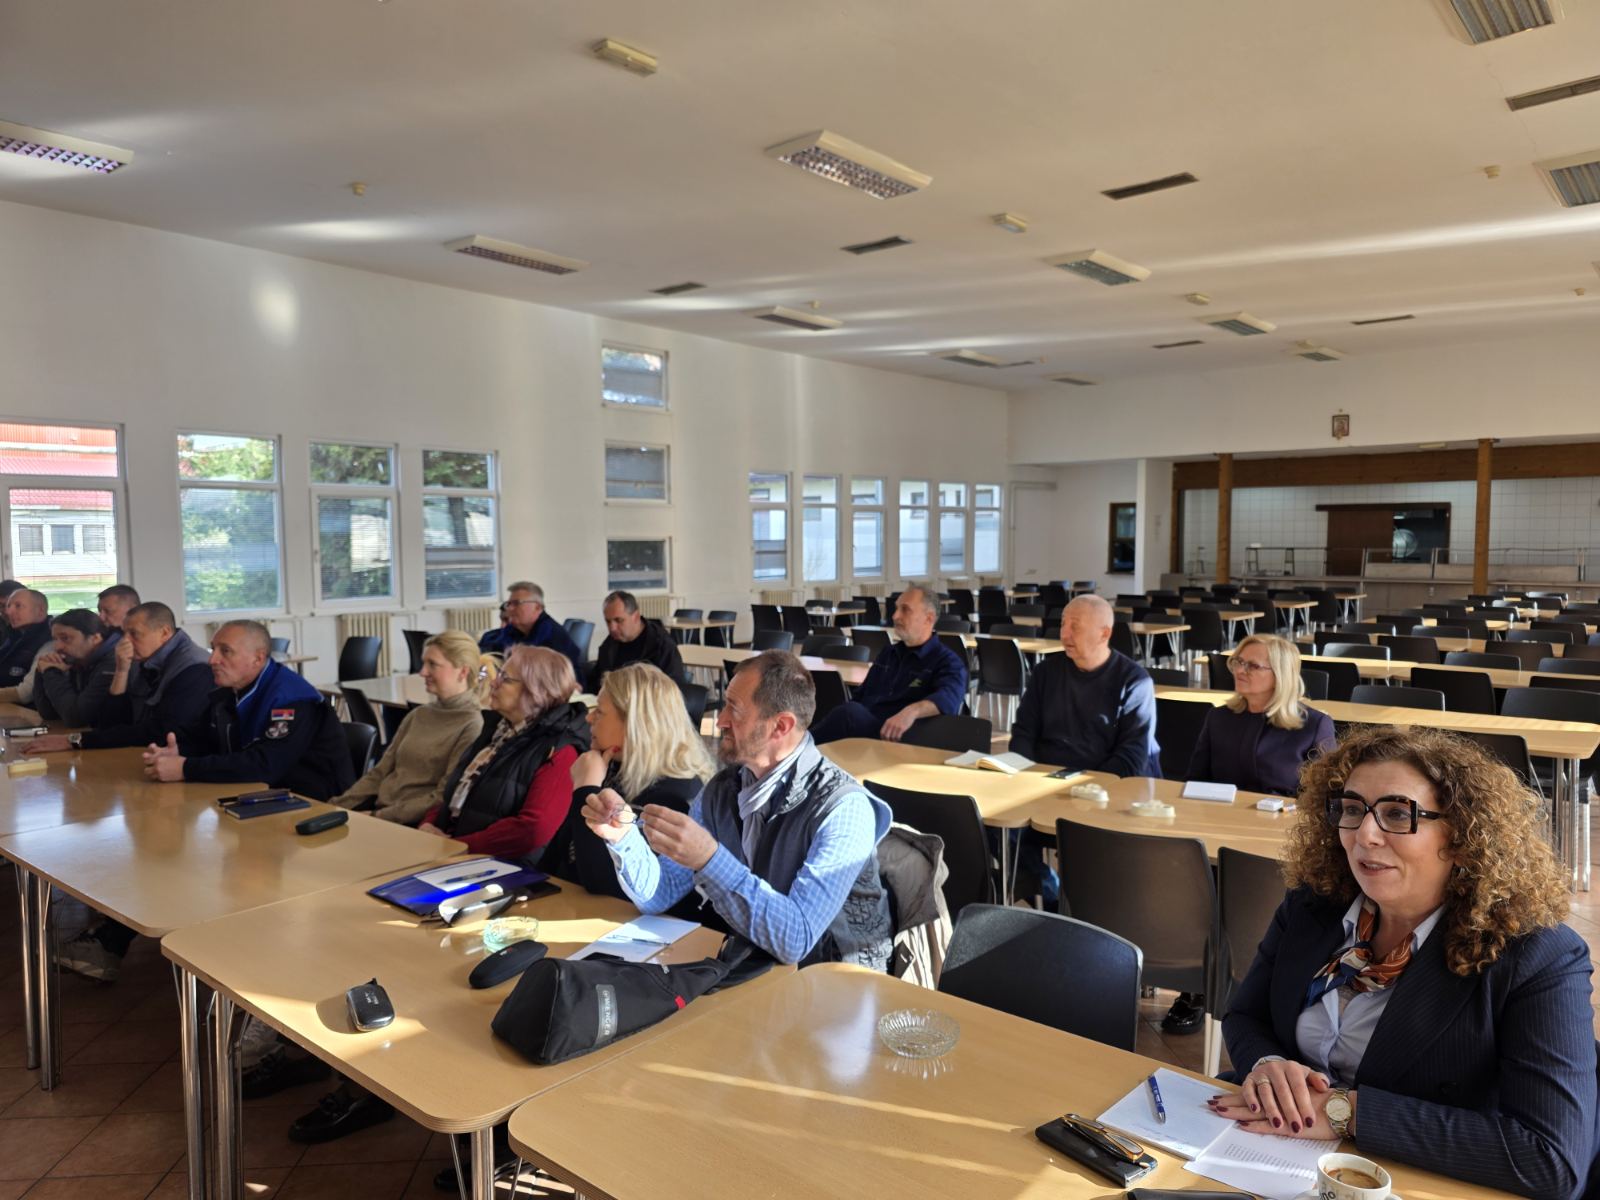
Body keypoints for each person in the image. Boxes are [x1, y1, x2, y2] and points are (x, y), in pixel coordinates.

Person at [1216, 726, 1597, 1200]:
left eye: (1397, 814)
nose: (1364, 834)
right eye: (1352, 809)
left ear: (1462, 837)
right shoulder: (1312, 906)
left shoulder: (1537, 956)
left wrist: (1343, 1111)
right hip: (1263, 1157)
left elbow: (1551, 1159)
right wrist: (1267, 1064)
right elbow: (1246, 1015)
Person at [584, 649, 893, 968]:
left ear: (780, 726)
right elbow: (661, 892)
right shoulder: (723, 789)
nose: (720, 721)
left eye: (734, 709)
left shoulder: (843, 808)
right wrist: (623, 838)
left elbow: (796, 941)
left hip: (838, 978)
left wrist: (709, 858)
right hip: (757, 965)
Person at [1159, 634, 1338, 1035]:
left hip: (1278, 845)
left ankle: (1257, 992)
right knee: (1191, 886)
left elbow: (1327, 801)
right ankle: (1196, 987)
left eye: (1252, 665)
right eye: (1238, 662)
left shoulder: (1314, 725)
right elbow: (1195, 779)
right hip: (1218, 833)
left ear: (1281, 674)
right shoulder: (1220, 717)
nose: (1240, 670)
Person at [1007, 594, 1160, 906]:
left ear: (1104, 633)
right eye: (1063, 624)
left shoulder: (1134, 681)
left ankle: (1082, 908)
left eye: (1074, 627)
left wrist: (1083, 790)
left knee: (1087, 847)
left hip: (1106, 794)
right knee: (1000, 828)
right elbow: (1023, 733)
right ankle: (1050, 898)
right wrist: (1025, 778)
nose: (1064, 634)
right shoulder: (1046, 673)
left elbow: (1131, 757)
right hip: (1047, 785)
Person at [142, 619, 353, 801]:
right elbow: (205, 741)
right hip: (261, 794)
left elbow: (265, 766)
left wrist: (185, 768)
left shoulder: (292, 699)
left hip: (314, 803)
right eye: (213, 649)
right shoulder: (228, 693)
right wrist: (179, 752)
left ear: (258, 658)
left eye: (225, 651)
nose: (212, 660)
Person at [418, 645, 590, 862]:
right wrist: (429, 824)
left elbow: (533, 830)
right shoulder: (499, 730)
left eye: (505, 679)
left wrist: (460, 847)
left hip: (503, 867)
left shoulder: (561, 749)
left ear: (538, 692)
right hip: (454, 852)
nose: (493, 683)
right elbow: (456, 794)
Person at [562, 661, 715, 898]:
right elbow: (557, 859)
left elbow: (603, 883)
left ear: (634, 724)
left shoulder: (673, 794)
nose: (589, 718)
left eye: (599, 712)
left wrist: (586, 789)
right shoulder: (613, 769)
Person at [330, 630, 493, 824]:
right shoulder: (419, 714)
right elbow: (379, 772)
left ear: (463, 672)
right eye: (424, 663)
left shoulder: (473, 725)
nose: (422, 672)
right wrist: (337, 806)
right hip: (381, 814)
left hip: (411, 824)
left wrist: (377, 817)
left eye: (432, 664)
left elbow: (442, 797)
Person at [23, 601, 212, 754]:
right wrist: (121, 671)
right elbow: (110, 725)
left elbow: (161, 732)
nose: (125, 641)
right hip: (142, 754)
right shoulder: (141, 659)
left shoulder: (193, 668)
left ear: (164, 633)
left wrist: (74, 740)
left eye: (134, 634)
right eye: (124, 633)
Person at [809, 586, 967, 744]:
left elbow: (949, 699)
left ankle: (801, 749)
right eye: (896, 608)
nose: (895, 616)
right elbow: (860, 696)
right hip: (865, 731)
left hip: (899, 739)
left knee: (848, 714)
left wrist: (911, 712)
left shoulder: (948, 662)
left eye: (905, 610)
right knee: (838, 710)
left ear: (929, 618)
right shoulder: (888, 653)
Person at [31, 609, 121, 727]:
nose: (57, 647)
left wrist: (52, 672)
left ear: (95, 638)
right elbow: (49, 714)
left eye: (65, 638)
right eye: (55, 639)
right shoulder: (77, 659)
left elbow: (75, 718)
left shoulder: (113, 663)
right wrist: (42, 671)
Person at [477, 580, 583, 675]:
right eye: (509, 604)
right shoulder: (517, 628)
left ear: (537, 607)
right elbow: (496, 646)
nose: (510, 608)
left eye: (516, 603)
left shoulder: (552, 635)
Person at [586, 590, 684, 691]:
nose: (612, 628)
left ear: (636, 617)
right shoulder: (609, 644)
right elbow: (597, 681)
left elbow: (672, 690)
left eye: (618, 620)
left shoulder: (662, 645)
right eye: (608, 621)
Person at [0, 587, 52, 686]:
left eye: (18, 606)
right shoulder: (14, 634)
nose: (8, 612)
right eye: (8, 606)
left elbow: (26, 691)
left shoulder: (50, 640)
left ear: (40, 611)